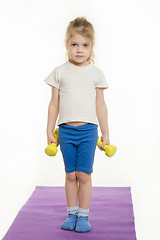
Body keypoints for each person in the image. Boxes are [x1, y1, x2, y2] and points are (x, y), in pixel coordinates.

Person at [44, 17, 110, 233]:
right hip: (65, 131)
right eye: (74, 44)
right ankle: (71, 212)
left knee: (84, 174)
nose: (79, 50)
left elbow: (101, 105)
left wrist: (106, 133)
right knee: (70, 174)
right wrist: (49, 130)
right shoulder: (59, 72)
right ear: (67, 45)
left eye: (85, 45)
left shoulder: (96, 73)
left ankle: (83, 215)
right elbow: (54, 103)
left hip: (89, 131)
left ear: (91, 47)